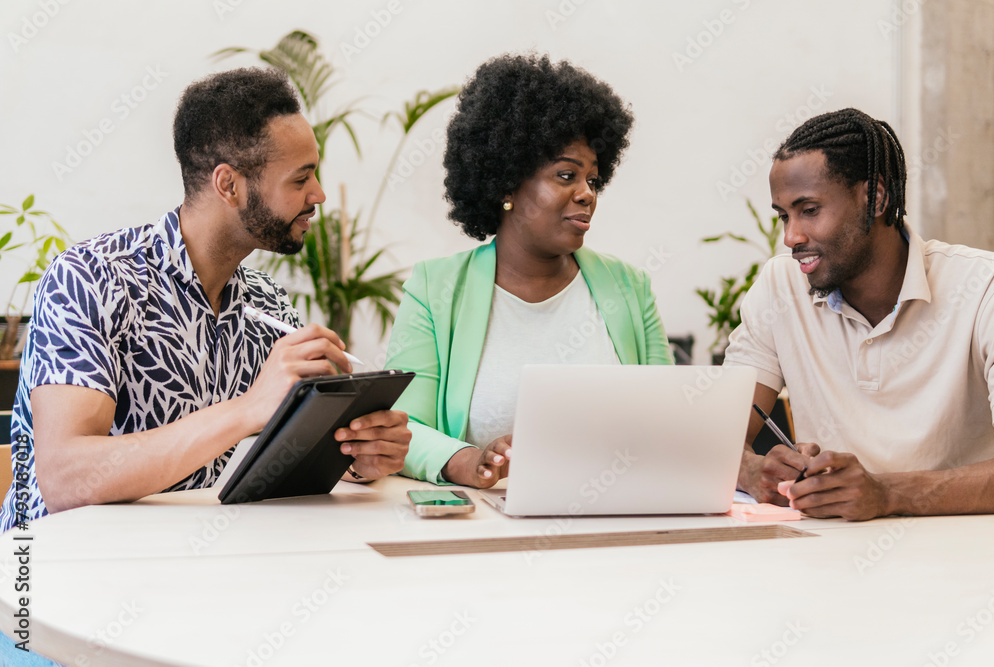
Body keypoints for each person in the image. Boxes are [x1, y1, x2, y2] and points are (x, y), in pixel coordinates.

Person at [0, 68, 411, 533]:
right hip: (62, 575)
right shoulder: (92, 278)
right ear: (229, 185)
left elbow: (274, 463)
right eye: (301, 179)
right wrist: (247, 409)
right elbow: (65, 478)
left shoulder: (268, 306)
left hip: (203, 565)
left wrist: (356, 455)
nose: (318, 195)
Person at [384, 53, 673, 489]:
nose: (587, 194)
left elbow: (673, 420)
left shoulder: (629, 287)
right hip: (484, 531)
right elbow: (403, 428)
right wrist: (468, 460)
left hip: (616, 520)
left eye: (593, 180)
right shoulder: (435, 289)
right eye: (565, 175)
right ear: (506, 182)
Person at [726, 107, 994, 521]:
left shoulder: (984, 287)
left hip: (964, 566)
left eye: (809, 210)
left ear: (875, 197)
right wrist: (750, 470)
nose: (791, 237)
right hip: (830, 560)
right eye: (784, 215)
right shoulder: (780, 287)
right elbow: (715, 437)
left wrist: (887, 493)